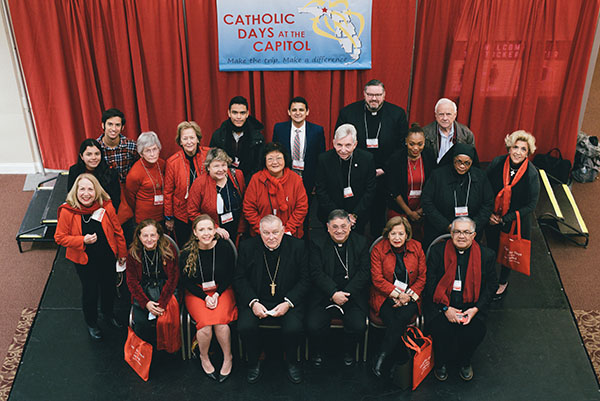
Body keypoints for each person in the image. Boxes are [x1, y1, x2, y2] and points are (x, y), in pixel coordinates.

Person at [234, 215, 309, 384]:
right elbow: (240, 279)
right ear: (259, 232)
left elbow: (305, 280)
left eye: (275, 232)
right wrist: (253, 302)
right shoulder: (247, 247)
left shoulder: (298, 246)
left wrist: (288, 303)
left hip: (287, 300)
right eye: (266, 233)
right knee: (245, 326)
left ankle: (291, 361)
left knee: (293, 328)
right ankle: (253, 362)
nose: (271, 237)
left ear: (283, 231)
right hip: (257, 299)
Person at [55, 173, 127, 340]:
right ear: (76, 191)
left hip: (107, 257)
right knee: (90, 292)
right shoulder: (67, 211)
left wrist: (122, 253)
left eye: (90, 189)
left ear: (96, 191)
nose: (86, 193)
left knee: (109, 288)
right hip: (85, 261)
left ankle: (108, 314)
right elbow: (60, 237)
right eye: (82, 189)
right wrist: (82, 240)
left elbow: (118, 231)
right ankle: (92, 323)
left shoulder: (106, 206)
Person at [424, 217, 497, 382]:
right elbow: (429, 283)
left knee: (476, 331)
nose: (461, 236)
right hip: (441, 306)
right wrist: (445, 309)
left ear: (474, 235)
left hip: (471, 307)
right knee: (441, 330)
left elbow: (492, 285)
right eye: (457, 231)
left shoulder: (487, 255)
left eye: (466, 232)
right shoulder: (437, 252)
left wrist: (476, 309)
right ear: (451, 233)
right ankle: (440, 363)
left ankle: (465, 361)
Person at [336, 80, 409, 237]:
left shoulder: (397, 114)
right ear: (364, 94)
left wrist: (385, 168)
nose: (373, 98)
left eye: (377, 95)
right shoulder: (348, 113)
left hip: (385, 175)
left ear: (384, 95)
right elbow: (340, 143)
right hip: (355, 175)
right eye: (370, 95)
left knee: (379, 219)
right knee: (357, 218)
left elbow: (401, 147)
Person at [307, 209, 370, 367]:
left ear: (350, 226)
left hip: (352, 296)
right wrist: (333, 292)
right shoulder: (317, 242)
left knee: (358, 325)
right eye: (335, 227)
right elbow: (316, 272)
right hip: (324, 295)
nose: (339, 230)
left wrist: (346, 294)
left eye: (343, 226)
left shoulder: (361, 242)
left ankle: (348, 351)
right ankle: (318, 351)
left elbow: (364, 272)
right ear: (327, 227)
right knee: (313, 324)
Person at [180, 215, 238, 382]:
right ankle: (204, 357)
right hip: (197, 293)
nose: (206, 233)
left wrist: (217, 294)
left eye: (209, 229)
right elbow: (186, 282)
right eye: (201, 229)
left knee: (221, 324)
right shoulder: (187, 252)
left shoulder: (224, 248)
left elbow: (229, 276)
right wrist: (204, 297)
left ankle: (228, 358)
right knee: (205, 326)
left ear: (215, 231)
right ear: (195, 233)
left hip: (222, 290)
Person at [369, 216, 426, 378]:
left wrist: (407, 297)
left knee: (400, 318)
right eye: (393, 234)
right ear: (387, 234)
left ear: (407, 234)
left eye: (401, 234)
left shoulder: (417, 247)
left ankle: (381, 355)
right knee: (394, 320)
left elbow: (422, 277)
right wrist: (397, 294)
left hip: (411, 296)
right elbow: (377, 279)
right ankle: (400, 355)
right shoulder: (378, 249)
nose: (397, 238)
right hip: (385, 296)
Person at [486, 130, 540, 300]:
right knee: (492, 249)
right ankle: (488, 278)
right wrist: (489, 213)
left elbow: (531, 204)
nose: (518, 152)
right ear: (509, 148)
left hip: (514, 221)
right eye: (515, 147)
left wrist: (504, 219)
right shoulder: (497, 163)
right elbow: (485, 187)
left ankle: (503, 281)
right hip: (492, 217)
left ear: (528, 153)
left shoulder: (532, 174)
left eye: (523, 149)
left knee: (507, 253)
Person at [421, 143, 494, 247]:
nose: (462, 166)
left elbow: (488, 203)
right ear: (453, 159)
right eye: (458, 161)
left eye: (467, 163)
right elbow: (426, 202)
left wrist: (471, 227)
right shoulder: (438, 175)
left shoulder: (480, 177)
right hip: (440, 231)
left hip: (470, 234)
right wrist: (446, 225)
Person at [126, 219, 180, 352]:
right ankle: (147, 353)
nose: (149, 239)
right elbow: (132, 281)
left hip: (166, 290)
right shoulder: (133, 254)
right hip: (143, 291)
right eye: (145, 235)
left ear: (158, 236)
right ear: (139, 236)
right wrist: (146, 303)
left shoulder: (168, 250)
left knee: (166, 320)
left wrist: (162, 303)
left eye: (152, 235)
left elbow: (173, 278)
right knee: (142, 323)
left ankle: (166, 352)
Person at [315, 124, 376, 234]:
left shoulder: (367, 159)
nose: (343, 150)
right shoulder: (324, 159)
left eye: (348, 145)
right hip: (330, 215)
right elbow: (321, 190)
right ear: (333, 143)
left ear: (355, 144)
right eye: (339, 145)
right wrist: (338, 217)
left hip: (357, 216)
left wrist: (354, 215)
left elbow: (370, 190)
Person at [243, 142, 308, 238]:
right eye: (270, 159)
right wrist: (264, 231)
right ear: (264, 161)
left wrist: (287, 230)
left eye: (279, 158)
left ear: (285, 159)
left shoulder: (295, 179)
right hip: (261, 235)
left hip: (290, 234)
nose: (275, 162)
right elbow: (249, 208)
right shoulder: (256, 179)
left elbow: (301, 208)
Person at [385, 123, 436, 241]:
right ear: (406, 142)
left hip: (423, 209)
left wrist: (422, 210)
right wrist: (409, 213)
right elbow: (393, 189)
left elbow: (432, 185)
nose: (415, 148)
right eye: (411, 144)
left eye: (420, 144)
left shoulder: (429, 156)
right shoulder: (396, 159)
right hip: (400, 209)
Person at [164, 121, 211, 247]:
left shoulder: (208, 154)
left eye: (192, 137)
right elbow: (168, 191)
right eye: (185, 138)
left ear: (198, 139)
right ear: (180, 142)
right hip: (182, 214)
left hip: (205, 210)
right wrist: (169, 217)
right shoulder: (172, 162)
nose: (189, 141)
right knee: (186, 246)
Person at [273, 96, 326, 201]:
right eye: (294, 110)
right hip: (284, 177)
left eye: (301, 110)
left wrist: (317, 182)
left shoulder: (317, 130)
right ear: (289, 112)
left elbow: (321, 157)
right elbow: (275, 154)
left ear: (307, 112)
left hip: (308, 178)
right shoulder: (279, 129)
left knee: (305, 207)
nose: (298, 113)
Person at [188, 148, 247, 241]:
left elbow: (245, 202)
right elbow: (192, 213)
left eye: (223, 165)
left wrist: (242, 228)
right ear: (208, 167)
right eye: (216, 166)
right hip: (212, 234)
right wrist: (215, 228)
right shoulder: (199, 183)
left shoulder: (237, 176)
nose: (221, 169)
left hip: (237, 230)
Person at [210, 95, 265, 180]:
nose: (238, 117)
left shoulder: (258, 138)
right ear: (229, 113)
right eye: (235, 113)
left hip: (250, 182)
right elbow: (213, 163)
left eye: (242, 113)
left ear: (247, 114)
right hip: (224, 181)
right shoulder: (218, 136)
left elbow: (259, 166)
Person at [68, 138, 121, 212]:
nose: (94, 158)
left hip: (103, 212)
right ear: (81, 156)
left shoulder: (111, 172)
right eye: (89, 154)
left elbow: (115, 200)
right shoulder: (74, 171)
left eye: (97, 154)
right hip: (80, 211)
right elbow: (71, 195)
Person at [125, 132, 166, 224]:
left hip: (162, 215)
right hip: (144, 218)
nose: (152, 154)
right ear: (141, 153)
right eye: (148, 151)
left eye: (154, 149)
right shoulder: (135, 173)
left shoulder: (162, 164)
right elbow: (130, 198)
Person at [423, 98, 475, 164]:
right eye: (441, 114)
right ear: (436, 115)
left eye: (448, 114)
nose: (445, 118)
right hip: (433, 170)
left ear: (455, 115)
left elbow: (471, 159)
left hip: (456, 171)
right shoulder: (425, 133)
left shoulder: (466, 134)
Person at [96, 108, 138, 184]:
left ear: (122, 127)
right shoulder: (95, 148)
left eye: (117, 125)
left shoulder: (131, 146)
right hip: (102, 191)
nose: (113, 129)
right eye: (110, 124)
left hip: (126, 190)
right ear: (103, 125)